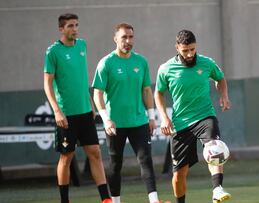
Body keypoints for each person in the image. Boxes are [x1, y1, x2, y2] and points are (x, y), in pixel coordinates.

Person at [154, 30, 232, 203]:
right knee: (179, 173)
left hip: (205, 116)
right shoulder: (166, 69)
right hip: (181, 123)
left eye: (192, 49)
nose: (190, 54)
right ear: (177, 48)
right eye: (185, 50)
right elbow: (158, 93)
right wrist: (164, 118)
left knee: (214, 147)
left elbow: (220, 78)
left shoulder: (206, 63)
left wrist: (224, 96)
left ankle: (217, 189)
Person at [43, 13, 112, 203]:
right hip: (66, 115)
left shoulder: (82, 45)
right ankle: (64, 200)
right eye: (70, 26)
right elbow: (47, 85)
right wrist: (57, 111)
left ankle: (105, 199)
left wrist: (91, 103)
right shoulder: (52, 52)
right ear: (61, 29)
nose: (75, 29)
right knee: (67, 156)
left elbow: (80, 78)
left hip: (85, 112)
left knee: (95, 153)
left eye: (76, 25)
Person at [92, 23, 160, 203]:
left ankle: (154, 200)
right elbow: (97, 93)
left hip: (139, 121)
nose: (128, 41)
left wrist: (151, 117)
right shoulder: (106, 63)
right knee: (116, 164)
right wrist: (106, 119)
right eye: (124, 37)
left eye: (131, 37)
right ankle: (115, 201)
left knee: (146, 160)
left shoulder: (141, 61)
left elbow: (146, 90)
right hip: (115, 124)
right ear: (115, 39)